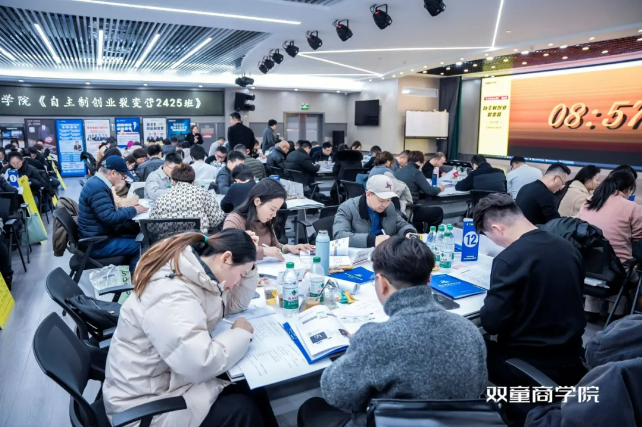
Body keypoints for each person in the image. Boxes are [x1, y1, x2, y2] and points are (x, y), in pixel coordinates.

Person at [297, 237, 488, 427]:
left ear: (381, 283)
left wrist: (360, 346)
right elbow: (479, 387)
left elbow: (335, 394)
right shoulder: (469, 330)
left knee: (312, 407)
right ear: (429, 279)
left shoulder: (376, 339)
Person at [103, 229, 280, 427]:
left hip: (168, 382)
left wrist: (250, 264)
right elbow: (200, 364)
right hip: (145, 408)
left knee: (251, 385)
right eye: (240, 274)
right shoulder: (172, 293)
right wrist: (240, 334)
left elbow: (232, 305)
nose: (239, 281)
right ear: (226, 258)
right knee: (242, 410)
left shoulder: (197, 274)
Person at [474, 193, 587, 389]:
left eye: (490, 237)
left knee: (465, 341)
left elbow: (492, 324)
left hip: (528, 362)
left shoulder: (509, 259)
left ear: (497, 229)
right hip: (572, 356)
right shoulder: (568, 248)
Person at [78, 156, 147, 272]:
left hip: (99, 236)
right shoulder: (98, 188)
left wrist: (129, 209)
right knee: (141, 245)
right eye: (122, 176)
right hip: (98, 244)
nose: (123, 179)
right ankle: (134, 281)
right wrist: (134, 210)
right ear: (113, 173)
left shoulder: (96, 182)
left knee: (137, 234)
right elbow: (109, 217)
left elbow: (108, 211)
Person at [223, 179, 313, 260]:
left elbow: (274, 245)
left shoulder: (266, 220)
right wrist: (264, 251)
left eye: (276, 210)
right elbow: (229, 250)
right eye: (272, 209)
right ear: (257, 201)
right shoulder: (234, 220)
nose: (274, 215)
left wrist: (288, 248)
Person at [577, 170, 642, 265]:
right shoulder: (631, 207)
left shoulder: (589, 201)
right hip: (619, 265)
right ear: (628, 188)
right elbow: (638, 240)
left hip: (586, 262)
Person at [334, 175, 416, 248]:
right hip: (360, 253)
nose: (385, 204)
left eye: (388, 200)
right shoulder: (347, 208)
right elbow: (339, 236)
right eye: (381, 200)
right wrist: (372, 240)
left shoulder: (389, 206)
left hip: (385, 252)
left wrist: (408, 232)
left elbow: (401, 224)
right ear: (368, 194)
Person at [149, 164, 225, 233]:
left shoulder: (161, 198)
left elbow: (151, 226)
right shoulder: (203, 194)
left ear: (173, 181)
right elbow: (216, 220)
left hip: (169, 242)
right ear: (193, 181)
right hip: (196, 241)